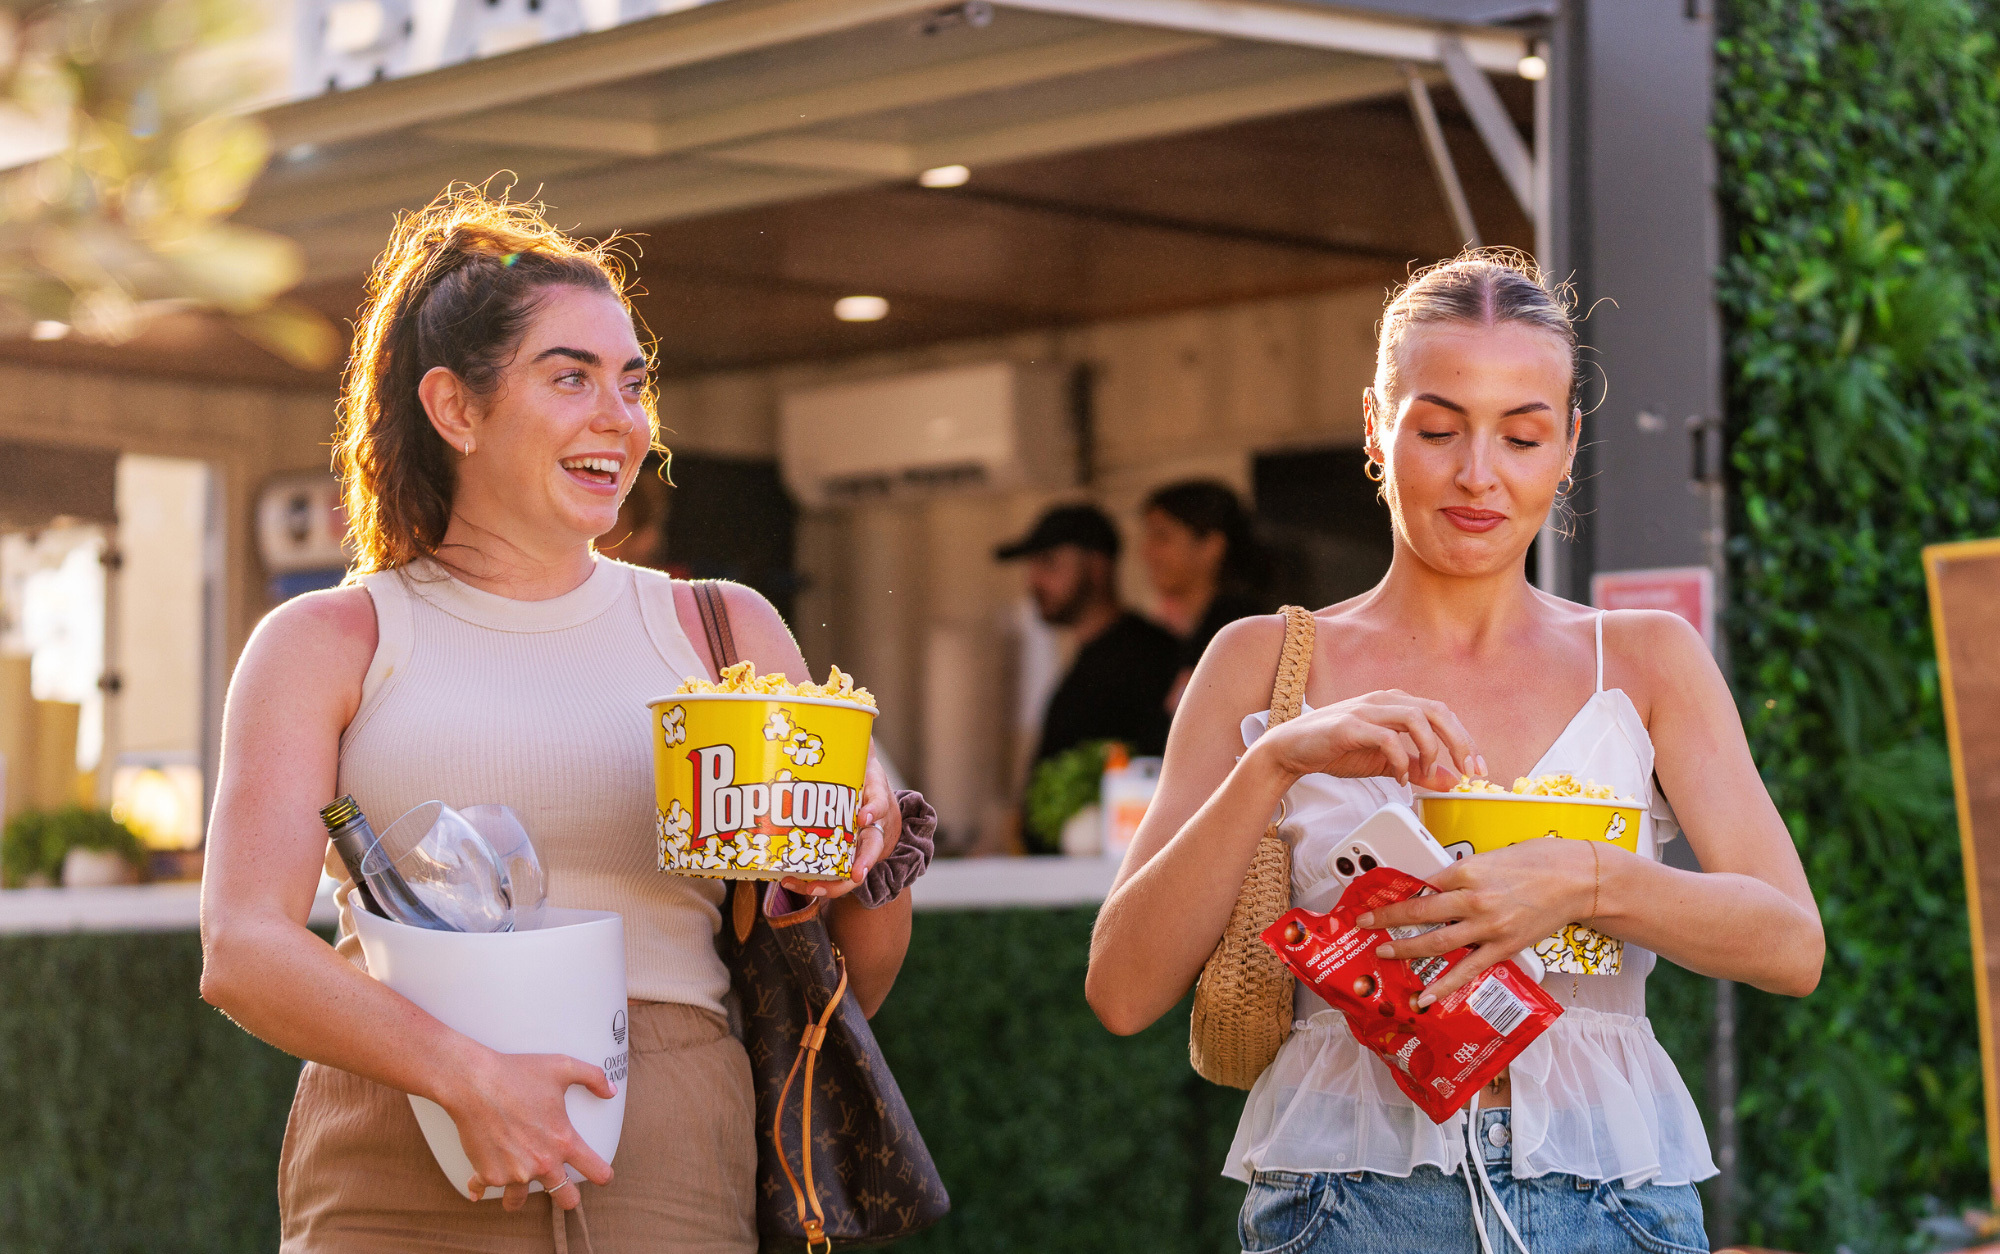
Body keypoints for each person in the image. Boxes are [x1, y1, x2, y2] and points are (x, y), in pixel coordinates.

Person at [197, 189, 924, 1253]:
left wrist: (862, 856)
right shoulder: (328, 640)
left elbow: (845, 983)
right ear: (456, 409)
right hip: (398, 1140)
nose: (620, 420)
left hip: (666, 1135)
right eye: (570, 378)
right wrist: (466, 1076)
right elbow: (244, 949)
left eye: (632, 384)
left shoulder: (722, 630)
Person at [1085, 250, 1822, 1253]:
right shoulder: (1260, 663)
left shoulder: (1644, 657)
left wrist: (1583, 880)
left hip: (1611, 1199)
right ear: (1373, 430)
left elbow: (1789, 945)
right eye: (1437, 429)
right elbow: (1122, 991)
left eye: (1520, 436)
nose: (1478, 473)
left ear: (1565, 446)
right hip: (1349, 1201)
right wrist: (1275, 764)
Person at [998, 503, 1180, 767]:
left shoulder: (1151, 657)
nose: (1034, 581)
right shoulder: (1086, 661)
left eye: (1049, 563)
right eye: (1032, 566)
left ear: (1097, 566)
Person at [1139, 479, 1269, 710]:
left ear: (1212, 546)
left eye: (1162, 537)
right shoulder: (1171, 631)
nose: (1147, 552)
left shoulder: (1239, 627)